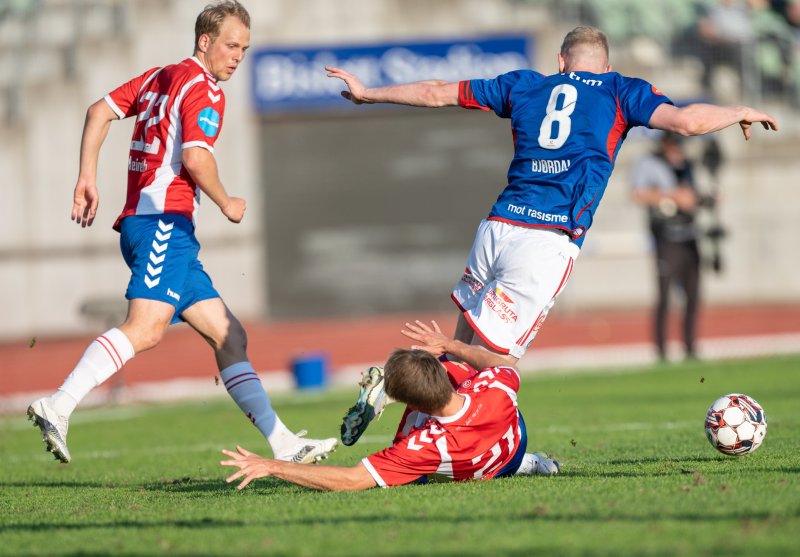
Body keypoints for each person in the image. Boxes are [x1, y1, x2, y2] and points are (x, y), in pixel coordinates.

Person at [325, 26, 778, 371]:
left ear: (562, 61)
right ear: (605, 64)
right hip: (547, 238)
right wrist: (738, 110)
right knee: (498, 364)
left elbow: (434, 92)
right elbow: (685, 123)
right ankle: (476, 448)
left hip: (497, 226)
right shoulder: (621, 89)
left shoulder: (524, 84)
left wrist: (368, 94)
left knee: (462, 343)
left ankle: (419, 403)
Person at [27, 0, 337, 465]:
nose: (237, 56)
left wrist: (87, 176)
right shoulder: (205, 90)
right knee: (147, 329)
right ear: (205, 41)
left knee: (229, 336)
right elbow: (195, 158)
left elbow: (97, 111)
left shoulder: (159, 76)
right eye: (231, 45)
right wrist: (227, 201)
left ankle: (285, 445)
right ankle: (59, 404)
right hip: (160, 224)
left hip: (163, 230)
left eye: (245, 49)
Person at [221, 321, 559, 491]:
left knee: (408, 462)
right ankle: (529, 463)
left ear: (412, 403)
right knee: (464, 368)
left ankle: (389, 389)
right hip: (515, 444)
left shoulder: (424, 445)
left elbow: (352, 479)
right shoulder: (493, 389)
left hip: (471, 468)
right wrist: (450, 344)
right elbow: (506, 367)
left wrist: (273, 467)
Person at [631, 134, 704, 361]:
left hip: (690, 234)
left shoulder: (687, 164)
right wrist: (673, 196)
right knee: (664, 295)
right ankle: (661, 350)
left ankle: (690, 347)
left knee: (693, 294)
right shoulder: (649, 163)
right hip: (666, 237)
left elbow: (693, 196)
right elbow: (638, 194)